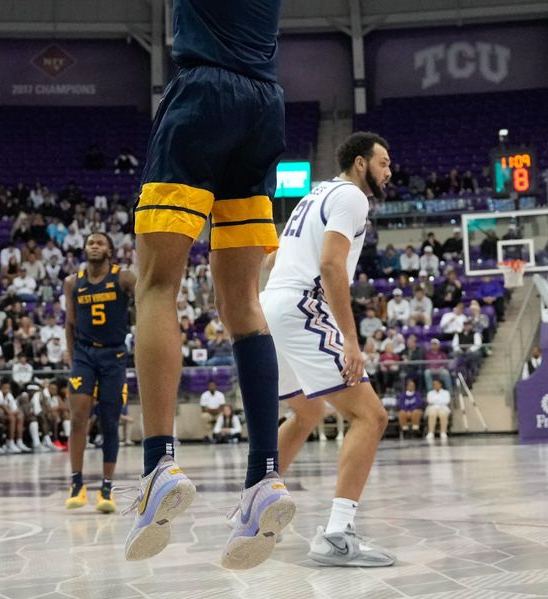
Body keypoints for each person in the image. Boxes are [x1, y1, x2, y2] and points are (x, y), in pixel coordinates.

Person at [126, 0, 293, 571]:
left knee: (156, 285)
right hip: (265, 101)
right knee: (243, 301)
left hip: (203, 93)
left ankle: (158, 464)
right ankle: (264, 478)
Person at [263, 132, 396, 567]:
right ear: (360, 163)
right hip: (303, 303)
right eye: (383, 163)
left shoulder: (315, 193)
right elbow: (330, 266)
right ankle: (338, 535)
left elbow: (272, 258)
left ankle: (255, 510)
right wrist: (351, 342)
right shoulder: (353, 198)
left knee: (306, 413)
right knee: (371, 416)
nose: (388, 171)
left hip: (274, 304)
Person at [63, 232, 136, 514]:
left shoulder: (124, 278)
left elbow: (145, 295)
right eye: (90, 242)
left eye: (100, 243)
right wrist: (72, 358)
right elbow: (70, 324)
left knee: (109, 421)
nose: (94, 246)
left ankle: (107, 488)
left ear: (110, 250)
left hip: (114, 355)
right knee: (78, 417)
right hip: (84, 355)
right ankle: (77, 484)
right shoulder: (72, 282)